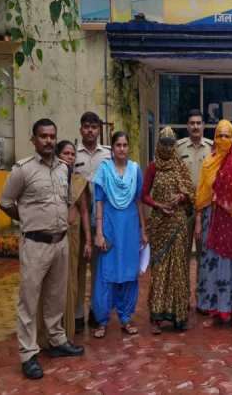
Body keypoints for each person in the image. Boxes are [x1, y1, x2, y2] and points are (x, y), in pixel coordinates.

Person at [0, 119, 84, 380]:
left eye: (52, 136)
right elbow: (5, 203)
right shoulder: (22, 170)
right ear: (33, 140)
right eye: (43, 136)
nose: (48, 140)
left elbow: (66, 201)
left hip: (61, 242)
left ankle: (56, 340)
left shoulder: (63, 169)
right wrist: (26, 219)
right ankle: (28, 354)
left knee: (56, 296)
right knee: (29, 300)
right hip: (35, 244)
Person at [91, 131, 148, 338]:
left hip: (130, 228)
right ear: (112, 148)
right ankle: (102, 321)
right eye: (118, 145)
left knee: (129, 273)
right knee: (107, 273)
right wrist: (99, 232)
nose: (122, 149)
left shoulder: (135, 169)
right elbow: (99, 201)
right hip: (110, 226)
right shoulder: (104, 170)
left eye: (125, 145)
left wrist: (143, 230)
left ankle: (125, 318)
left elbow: (139, 201)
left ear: (128, 148)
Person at [36, 141, 92, 347]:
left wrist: (88, 240)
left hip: (73, 236)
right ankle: (45, 332)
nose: (69, 157)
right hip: (50, 236)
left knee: (70, 282)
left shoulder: (78, 181)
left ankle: (65, 332)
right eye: (65, 153)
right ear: (57, 156)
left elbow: (84, 212)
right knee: (50, 283)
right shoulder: (48, 179)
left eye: (72, 154)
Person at [142, 127, 196, 333]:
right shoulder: (153, 167)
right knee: (160, 269)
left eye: (170, 143)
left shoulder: (180, 166)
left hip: (178, 224)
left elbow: (190, 192)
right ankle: (157, 317)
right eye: (163, 143)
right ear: (158, 144)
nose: (167, 147)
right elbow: (144, 195)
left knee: (178, 269)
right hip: (160, 224)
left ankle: (178, 316)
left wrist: (181, 197)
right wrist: (159, 205)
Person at [194, 120, 232, 329]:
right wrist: (199, 221)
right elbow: (201, 194)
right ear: (215, 138)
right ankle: (213, 310)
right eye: (219, 135)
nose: (223, 139)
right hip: (212, 220)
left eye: (227, 135)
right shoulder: (209, 162)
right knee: (212, 264)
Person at [74, 112, 111, 330]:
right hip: (78, 221)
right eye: (86, 126)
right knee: (78, 268)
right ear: (81, 129)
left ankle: (97, 311)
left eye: (94, 127)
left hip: (101, 220)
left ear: (99, 130)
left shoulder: (107, 154)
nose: (90, 130)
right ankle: (77, 314)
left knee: (99, 270)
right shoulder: (71, 153)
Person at [176, 109, 213, 312]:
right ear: (187, 126)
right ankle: (183, 298)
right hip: (184, 208)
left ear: (203, 125)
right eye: (192, 123)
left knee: (203, 255)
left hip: (205, 209)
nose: (196, 126)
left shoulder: (211, 147)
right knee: (182, 255)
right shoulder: (179, 147)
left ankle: (201, 299)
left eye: (199, 123)